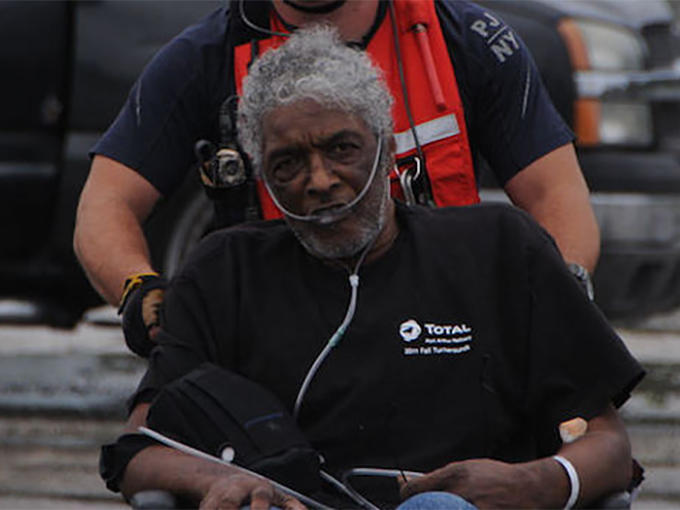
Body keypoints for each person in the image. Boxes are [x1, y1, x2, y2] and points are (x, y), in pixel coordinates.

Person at [100, 27, 642, 510]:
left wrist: (539, 483)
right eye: (288, 164)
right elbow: (139, 450)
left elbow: (608, 445)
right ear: (263, 176)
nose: (319, 180)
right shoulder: (224, 272)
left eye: (342, 149)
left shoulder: (500, 250)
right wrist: (222, 479)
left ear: (387, 152)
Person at [74, 0, 600, 356]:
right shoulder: (200, 60)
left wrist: (560, 295)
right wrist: (139, 290)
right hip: (286, 349)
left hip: (450, 339)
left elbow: (556, 193)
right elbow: (105, 205)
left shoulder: (468, 42)